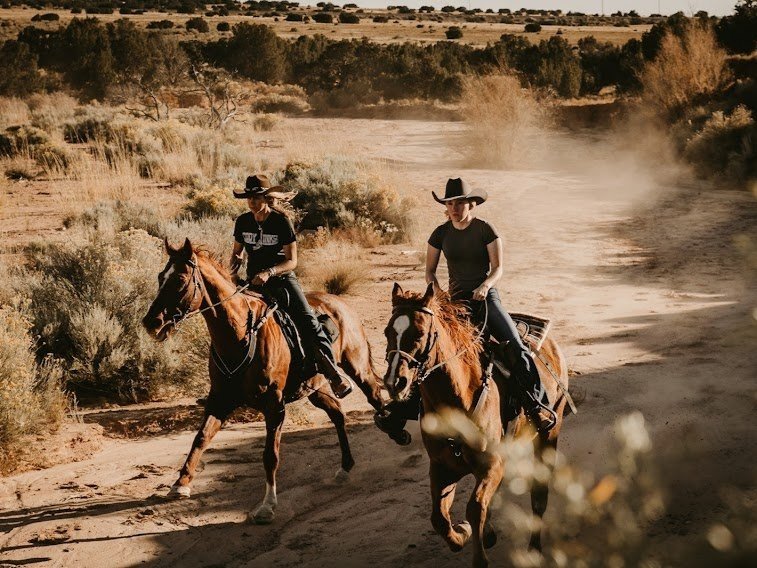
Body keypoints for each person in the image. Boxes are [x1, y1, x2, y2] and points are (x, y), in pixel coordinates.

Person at [376, 178, 554, 436]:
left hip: (486, 299)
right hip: (455, 303)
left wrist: (485, 286)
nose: (455, 208)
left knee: (515, 346)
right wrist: (437, 292)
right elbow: (429, 271)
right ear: (446, 206)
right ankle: (402, 411)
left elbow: (498, 268)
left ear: (471, 204)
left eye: (460, 202)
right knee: (428, 351)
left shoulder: (485, 229)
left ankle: (538, 405)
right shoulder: (440, 233)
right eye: (450, 203)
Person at [230, 174, 353, 399]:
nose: (252, 202)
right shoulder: (243, 222)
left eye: (257, 197)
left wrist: (269, 272)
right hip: (253, 283)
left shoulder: (280, 222)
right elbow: (237, 253)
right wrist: (233, 269)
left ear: (268, 198)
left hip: (283, 282)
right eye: (249, 198)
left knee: (308, 320)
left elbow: (292, 261)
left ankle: (333, 374)